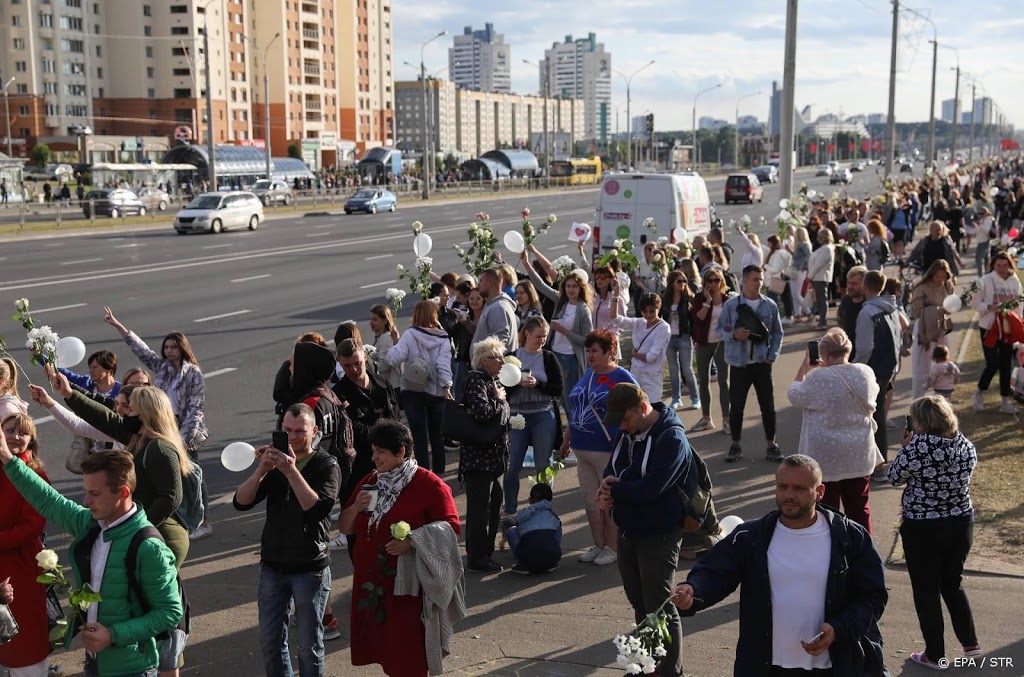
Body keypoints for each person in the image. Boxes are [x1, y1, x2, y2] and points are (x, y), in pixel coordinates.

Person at [672, 455, 889, 677]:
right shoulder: (751, 536)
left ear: (820, 492)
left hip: (832, 666)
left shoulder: (850, 537)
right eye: (782, 486)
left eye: (799, 488)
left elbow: (873, 596)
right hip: (765, 666)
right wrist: (693, 590)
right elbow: (715, 572)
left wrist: (839, 628)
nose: (789, 495)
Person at [0, 448, 182, 677]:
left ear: (122, 493)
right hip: (96, 664)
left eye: (94, 493)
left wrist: (112, 635)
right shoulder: (93, 524)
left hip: (132, 669)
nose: (86, 501)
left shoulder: (149, 547)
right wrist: (7, 457)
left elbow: (169, 611)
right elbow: (49, 500)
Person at [339, 420, 461, 676]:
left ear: (401, 452)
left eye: (379, 452)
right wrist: (355, 508)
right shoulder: (371, 481)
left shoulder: (430, 485)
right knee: (385, 649)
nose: (373, 458)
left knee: (408, 652)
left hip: (407, 590)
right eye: (373, 451)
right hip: (372, 583)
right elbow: (346, 528)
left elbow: (451, 530)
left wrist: (413, 541)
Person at [596, 384, 701, 677]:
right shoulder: (627, 431)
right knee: (641, 603)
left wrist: (617, 491)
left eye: (625, 419)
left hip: (660, 531)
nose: (622, 426)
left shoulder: (671, 437)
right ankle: (648, 664)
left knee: (660, 605)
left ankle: (669, 671)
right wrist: (606, 485)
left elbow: (653, 488)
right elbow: (613, 468)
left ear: (642, 408)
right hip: (629, 528)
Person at [233, 404, 341, 677]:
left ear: (315, 431)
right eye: (287, 431)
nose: (292, 437)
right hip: (273, 565)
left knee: (309, 646)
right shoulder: (275, 467)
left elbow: (316, 509)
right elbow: (241, 502)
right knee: (270, 642)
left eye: (300, 431)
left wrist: (291, 470)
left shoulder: (326, 465)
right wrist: (262, 471)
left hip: (309, 568)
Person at [102, 307, 211, 541]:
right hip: (161, 424)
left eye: (173, 347)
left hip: (184, 429)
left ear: (182, 348)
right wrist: (120, 326)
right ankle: (173, 519)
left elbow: (196, 407)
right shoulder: (162, 367)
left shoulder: (194, 373)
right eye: (166, 347)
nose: (169, 351)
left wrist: (183, 439)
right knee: (168, 478)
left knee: (191, 477)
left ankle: (203, 520)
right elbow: (141, 351)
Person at [887, 397, 980, 670]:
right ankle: (971, 644)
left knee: (926, 590)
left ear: (921, 422)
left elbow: (893, 477)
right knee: (952, 583)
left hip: (924, 528)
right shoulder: (966, 446)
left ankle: (935, 655)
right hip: (961, 522)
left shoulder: (916, 449)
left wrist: (905, 448)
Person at [787, 329, 882, 534]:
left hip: (826, 457)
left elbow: (794, 395)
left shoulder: (818, 377)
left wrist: (804, 369)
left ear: (825, 354)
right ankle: (864, 552)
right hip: (858, 452)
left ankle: (833, 554)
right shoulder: (865, 372)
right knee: (859, 508)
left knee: (828, 510)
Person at [559, 330, 639, 567]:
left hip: (607, 450)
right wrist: (566, 440)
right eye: (588, 351)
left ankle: (612, 548)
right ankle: (598, 544)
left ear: (609, 352)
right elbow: (576, 410)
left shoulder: (621, 376)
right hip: (581, 449)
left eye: (594, 351)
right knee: (590, 501)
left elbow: (638, 406)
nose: (590, 355)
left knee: (609, 499)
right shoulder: (589, 374)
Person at [331, 337, 399, 536]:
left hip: (391, 468)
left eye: (358, 363)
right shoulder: (339, 395)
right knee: (365, 524)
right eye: (347, 365)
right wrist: (386, 436)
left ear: (365, 357)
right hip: (361, 472)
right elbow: (355, 431)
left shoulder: (382, 384)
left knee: (391, 521)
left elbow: (395, 418)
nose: (354, 369)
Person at [718, 265, 784, 463]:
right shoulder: (731, 306)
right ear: (744, 281)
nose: (759, 283)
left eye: (761, 279)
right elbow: (719, 330)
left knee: (767, 406)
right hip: (739, 364)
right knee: (736, 406)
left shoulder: (769, 305)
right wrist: (733, 335)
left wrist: (772, 355)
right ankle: (736, 444)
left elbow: (777, 333)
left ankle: (771, 445)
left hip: (762, 363)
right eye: (755, 279)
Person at [0, 415, 50, 676]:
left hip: (20, 571)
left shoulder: (34, 473)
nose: (15, 436)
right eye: (9, 430)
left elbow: (31, 526)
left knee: (24, 647)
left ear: (32, 440)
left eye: (23, 433)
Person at [459, 338, 511, 574]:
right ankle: (477, 557)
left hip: (493, 459)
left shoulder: (492, 381)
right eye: (497, 357)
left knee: (493, 507)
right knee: (480, 510)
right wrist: (499, 400)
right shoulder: (475, 380)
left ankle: (486, 553)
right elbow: (482, 413)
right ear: (483, 361)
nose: (502, 362)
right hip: (478, 459)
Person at [382, 300, 453, 473]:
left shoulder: (410, 334)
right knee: (437, 438)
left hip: (413, 391)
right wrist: (446, 386)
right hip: (436, 392)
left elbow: (393, 359)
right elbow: (443, 364)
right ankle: (439, 477)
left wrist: (395, 342)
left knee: (419, 438)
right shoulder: (443, 337)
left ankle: (423, 475)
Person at [503, 317, 563, 516]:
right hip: (517, 416)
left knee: (543, 465)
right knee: (512, 465)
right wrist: (516, 382)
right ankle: (510, 509)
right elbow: (501, 390)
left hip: (543, 414)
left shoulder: (548, 358)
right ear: (527, 334)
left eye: (545, 336)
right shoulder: (511, 357)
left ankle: (543, 506)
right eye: (538, 336)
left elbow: (558, 389)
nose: (542, 340)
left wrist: (538, 384)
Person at [522, 254, 593, 415]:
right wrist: (526, 263)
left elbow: (587, 340)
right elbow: (540, 285)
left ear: (580, 288)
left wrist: (565, 331)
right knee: (556, 396)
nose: (570, 290)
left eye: (574, 286)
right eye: (568, 286)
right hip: (555, 354)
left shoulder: (583, 310)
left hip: (570, 358)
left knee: (569, 399)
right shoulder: (562, 300)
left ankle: (574, 430)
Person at [854, 271, 902, 481]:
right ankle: (879, 464)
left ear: (865, 285)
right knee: (878, 415)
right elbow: (899, 337)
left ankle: (876, 465)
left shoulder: (867, 313)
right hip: (888, 368)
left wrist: (855, 368)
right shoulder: (891, 309)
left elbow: (865, 347)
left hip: (871, 370)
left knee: (869, 417)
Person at [970, 252, 1023, 414]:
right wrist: (989, 307)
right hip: (989, 327)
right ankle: (979, 392)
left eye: (1005, 265)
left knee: (1006, 364)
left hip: (1008, 329)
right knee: (992, 363)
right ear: (993, 265)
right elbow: (974, 303)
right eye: (998, 265)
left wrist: (1017, 321)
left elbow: (1020, 303)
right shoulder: (985, 281)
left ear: (1009, 265)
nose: (1001, 269)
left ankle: (1005, 400)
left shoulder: (1015, 281)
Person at [609, 280, 670, 405]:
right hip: (636, 373)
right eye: (645, 311)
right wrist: (615, 294)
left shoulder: (664, 328)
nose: (648, 315)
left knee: (652, 410)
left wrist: (635, 354)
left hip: (652, 376)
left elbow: (651, 357)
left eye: (652, 311)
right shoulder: (639, 322)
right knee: (634, 410)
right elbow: (615, 318)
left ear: (659, 308)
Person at [689, 268, 732, 433]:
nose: (714, 283)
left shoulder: (727, 299)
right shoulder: (699, 298)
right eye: (710, 280)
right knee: (704, 381)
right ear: (705, 283)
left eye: (717, 280)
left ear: (721, 282)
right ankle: (706, 418)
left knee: (723, 381)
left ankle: (726, 420)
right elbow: (698, 318)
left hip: (721, 342)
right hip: (704, 342)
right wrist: (707, 301)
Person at [909, 260, 955, 400]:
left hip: (942, 328)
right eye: (937, 277)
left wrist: (947, 310)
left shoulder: (948, 286)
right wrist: (937, 311)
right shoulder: (922, 288)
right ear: (931, 275)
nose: (940, 280)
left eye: (943, 277)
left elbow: (951, 304)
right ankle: (918, 398)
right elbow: (916, 311)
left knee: (943, 362)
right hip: (925, 328)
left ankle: (943, 396)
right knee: (922, 367)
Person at [661, 270, 700, 411]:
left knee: (687, 369)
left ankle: (695, 397)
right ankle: (676, 398)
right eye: (679, 281)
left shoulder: (689, 298)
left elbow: (693, 320)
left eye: (684, 281)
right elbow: (660, 317)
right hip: (669, 338)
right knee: (673, 369)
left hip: (684, 336)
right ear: (672, 283)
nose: (683, 284)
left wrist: (694, 337)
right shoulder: (665, 298)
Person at [503, 482, 562, 575]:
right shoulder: (552, 516)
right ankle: (551, 560)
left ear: (530, 500)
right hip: (552, 558)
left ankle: (521, 563)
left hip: (528, 559)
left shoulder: (525, 514)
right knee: (557, 528)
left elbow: (518, 524)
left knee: (512, 531)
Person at [271, 333, 329, 417]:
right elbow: (278, 393)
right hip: (293, 413)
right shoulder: (289, 365)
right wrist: (301, 400)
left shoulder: (323, 367)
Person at [472, 268, 518, 352]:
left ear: (490, 283)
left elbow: (499, 340)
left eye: (481, 281)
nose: (478, 284)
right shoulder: (492, 304)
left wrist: (488, 361)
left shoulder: (499, 308)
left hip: (492, 364)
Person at [367, 305, 402, 394]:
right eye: (370, 319)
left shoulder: (386, 338)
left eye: (375, 320)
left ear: (385, 320)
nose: (371, 322)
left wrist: (366, 363)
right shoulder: (379, 338)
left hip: (392, 387)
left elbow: (384, 366)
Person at [807, 229, 836, 329]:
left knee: (821, 300)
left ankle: (823, 322)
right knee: (820, 300)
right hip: (818, 276)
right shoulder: (825, 248)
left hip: (820, 277)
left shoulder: (826, 249)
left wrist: (810, 276)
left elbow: (818, 264)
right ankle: (821, 320)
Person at [763, 235, 794, 323]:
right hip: (781, 279)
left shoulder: (776, 255)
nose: (768, 245)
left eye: (769, 243)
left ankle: (776, 319)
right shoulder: (783, 253)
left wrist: (765, 266)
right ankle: (787, 316)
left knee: (773, 300)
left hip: (774, 280)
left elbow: (775, 269)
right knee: (785, 298)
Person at [837, 266, 866, 357]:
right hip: (848, 355)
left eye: (854, 284)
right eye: (848, 283)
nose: (850, 287)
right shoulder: (846, 301)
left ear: (864, 284)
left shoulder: (870, 304)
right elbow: (840, 321)